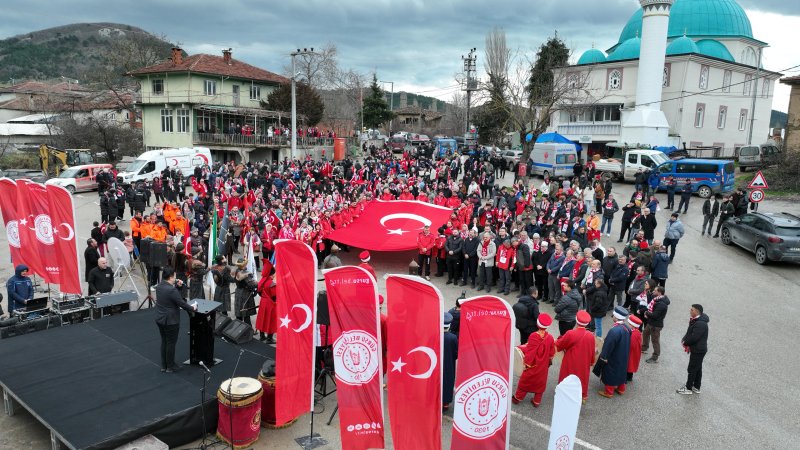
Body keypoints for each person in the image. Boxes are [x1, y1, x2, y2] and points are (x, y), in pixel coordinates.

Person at [154, 266, 197, 373]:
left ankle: (164, 365)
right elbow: (181, 303)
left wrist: (178, 287)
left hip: (160, 318)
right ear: (171, 276)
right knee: (171, 343)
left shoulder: (159, 286)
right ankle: (171, 366)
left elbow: (171, 297)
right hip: (170, 320)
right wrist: (193, 308)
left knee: (164, 341)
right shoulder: (171, 289)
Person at [512, 313, 555, 408]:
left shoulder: (533, 336)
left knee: (525, 381)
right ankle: (536, 401)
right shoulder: (550, 337)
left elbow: (530, 352)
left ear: (538, 324)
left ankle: (517, 398)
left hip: (533, 364)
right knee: (540, 382)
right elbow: (552, 353)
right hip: (543, 366)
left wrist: (526, 364)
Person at [555, 310, 595, 402]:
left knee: (567, 376)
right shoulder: (590, 336)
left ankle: (564, 394)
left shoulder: (570, 333)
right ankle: (582, 396)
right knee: (582, 378)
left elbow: (559, 345)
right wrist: (591, 361)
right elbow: (592, 351)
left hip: (571, 360)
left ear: (576, 321)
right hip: (584, 361)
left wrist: (559, 339)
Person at [597, 306, 632, 398]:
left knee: (610, 372)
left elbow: (608, 345)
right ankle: (621, 389)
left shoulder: (614, 330)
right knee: (621, 370)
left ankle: (609, 392)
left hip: (614, 356)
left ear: (616, 317)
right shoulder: (627, 328)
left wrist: (603, 357)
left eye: (613, 315)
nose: (612, 316)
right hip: (623, 354)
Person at [678, 304, 709, 395]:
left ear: (697, 311)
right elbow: (690, 332)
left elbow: (694, 337)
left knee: (692, 368)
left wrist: (685, 342)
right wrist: (684, 338)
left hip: (698, 350)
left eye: (692, 310)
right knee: (697, 368)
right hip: (698, 349)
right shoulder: (697, 320)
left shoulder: (700, 323)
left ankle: (688, 388)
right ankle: (696, 387)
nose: (690, 311)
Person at [642, 286, 669, 363]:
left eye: (655, 291)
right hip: (651, 322)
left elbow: (655, 315)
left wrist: (646, 313)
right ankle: (644, 347)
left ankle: (655, 357)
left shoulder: (661, 304)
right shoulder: (656, 299)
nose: (653, 291)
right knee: (645, 333)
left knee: (655, 341)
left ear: (659, 293)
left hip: (656, 325)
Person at [255, 262, 277, 343]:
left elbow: (260, 292)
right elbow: (275, 296)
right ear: (271, 274)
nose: (274, 275)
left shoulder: (262, 281)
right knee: (271, 320)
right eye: (274, 274)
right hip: (270, 304)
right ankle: (269, 338)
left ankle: (262, 336)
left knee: (262, 318)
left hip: (263, 302)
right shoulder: (271, 284)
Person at [442, 312, 458, 412]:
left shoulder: (434, 334)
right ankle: (445, 403)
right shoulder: (453, 337)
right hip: (449, 363)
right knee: (448, 381)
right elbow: (456, 353)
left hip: (436, 364)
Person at [233, 258, 257, 326]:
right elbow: (251, 284)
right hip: (244, 293)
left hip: (238, 292)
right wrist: (258, 284)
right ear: (244, 264)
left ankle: (237, 328)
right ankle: (248, 329)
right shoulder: (245, 273)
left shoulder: (236, 270)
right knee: (246, 313)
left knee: (239, 312)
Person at [627, 314, 643, 382]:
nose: (628, 325)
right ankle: (629, 376)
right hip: (635, 352)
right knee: (632, 364)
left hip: (631, 353)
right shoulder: (637, 332)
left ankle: (628, 377)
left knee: (630, 364)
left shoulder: (633, 334)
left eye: (629, 324)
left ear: (633, 325)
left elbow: (630, 345)